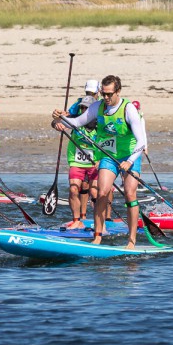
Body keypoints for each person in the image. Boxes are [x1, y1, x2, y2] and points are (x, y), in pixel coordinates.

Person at [52, 75, 147, 247]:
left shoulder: (128, 109)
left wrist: (130, 161)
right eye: (104, 94)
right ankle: (97, 236)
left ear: (118, 91)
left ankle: (131, 240)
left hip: (130, 155)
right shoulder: (98, 106)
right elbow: (76, 122)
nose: (106, 98)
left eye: (110, 94)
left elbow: (141, 142)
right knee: (101, 193)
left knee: (129, 193)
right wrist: (60, 119)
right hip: (108, 156)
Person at [63, 97, 99, 230]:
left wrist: (101, 160)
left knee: (95, 193)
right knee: (73, 189)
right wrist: (57, 122)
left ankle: (100, 220)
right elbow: (57, 122)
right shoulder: (76, 121)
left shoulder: (100, 124)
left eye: (86, 108)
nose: (84, 110)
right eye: (82, 107)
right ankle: (76, 220)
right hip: (76, 162)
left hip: (94, 163)